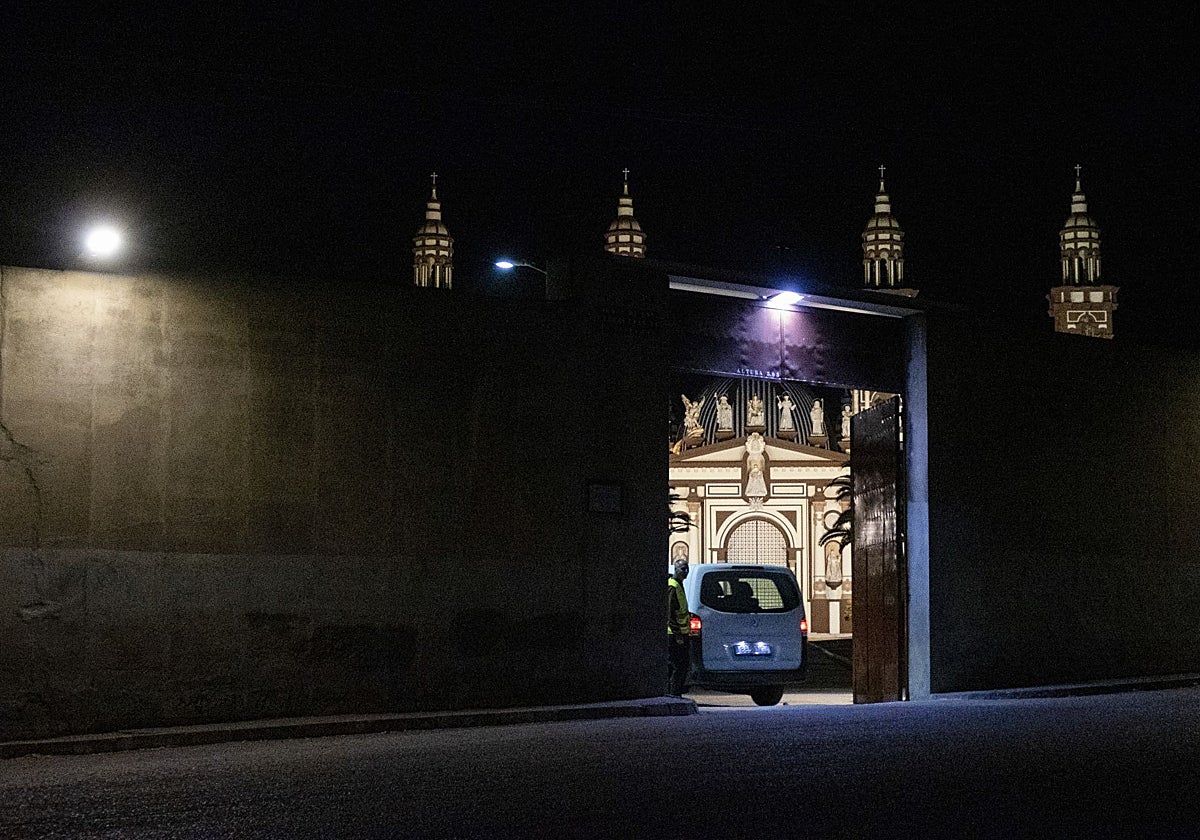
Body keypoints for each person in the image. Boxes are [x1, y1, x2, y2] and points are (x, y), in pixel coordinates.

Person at [667, 558, 691, 696]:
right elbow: (669, 613)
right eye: (683, 569)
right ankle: (674, 694)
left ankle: (675, 693)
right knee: (678, 666)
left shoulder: (679, 585)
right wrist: (678, 635)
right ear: (675, 569)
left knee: (681, 666)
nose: (686, 572)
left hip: (682, 633)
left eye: (687, 568)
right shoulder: (673, 586)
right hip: (674, 635)